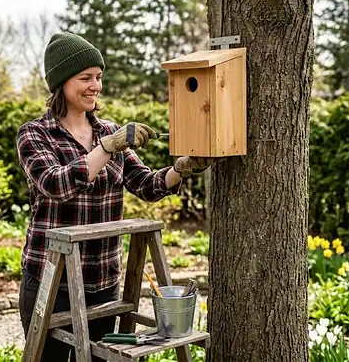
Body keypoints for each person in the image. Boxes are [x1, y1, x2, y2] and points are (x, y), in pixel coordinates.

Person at [15, 32, 218, 361]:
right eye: (85, 78)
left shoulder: (108, 131)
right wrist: (107, 148)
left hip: (103, 280)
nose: (95, 86)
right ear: (61, 83)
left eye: (98, 77)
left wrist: (181, 169)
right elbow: (55, 185)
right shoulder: (35, 134)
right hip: (54, 283)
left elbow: (146, 185)